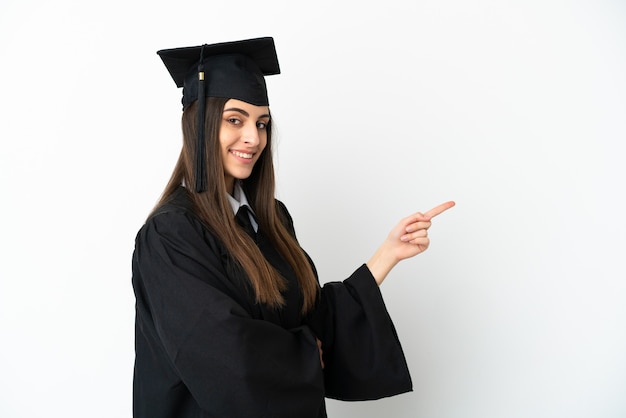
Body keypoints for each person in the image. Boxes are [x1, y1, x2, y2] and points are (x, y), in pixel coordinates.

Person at [131, 36, 455, 418]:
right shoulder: (172, 234)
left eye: (262, 123)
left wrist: (388, 254)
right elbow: (220, 351)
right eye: (235, 120)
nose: (253, 138)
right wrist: (302, 353)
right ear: (198, 125)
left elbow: (308, 316)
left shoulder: (271, 220)